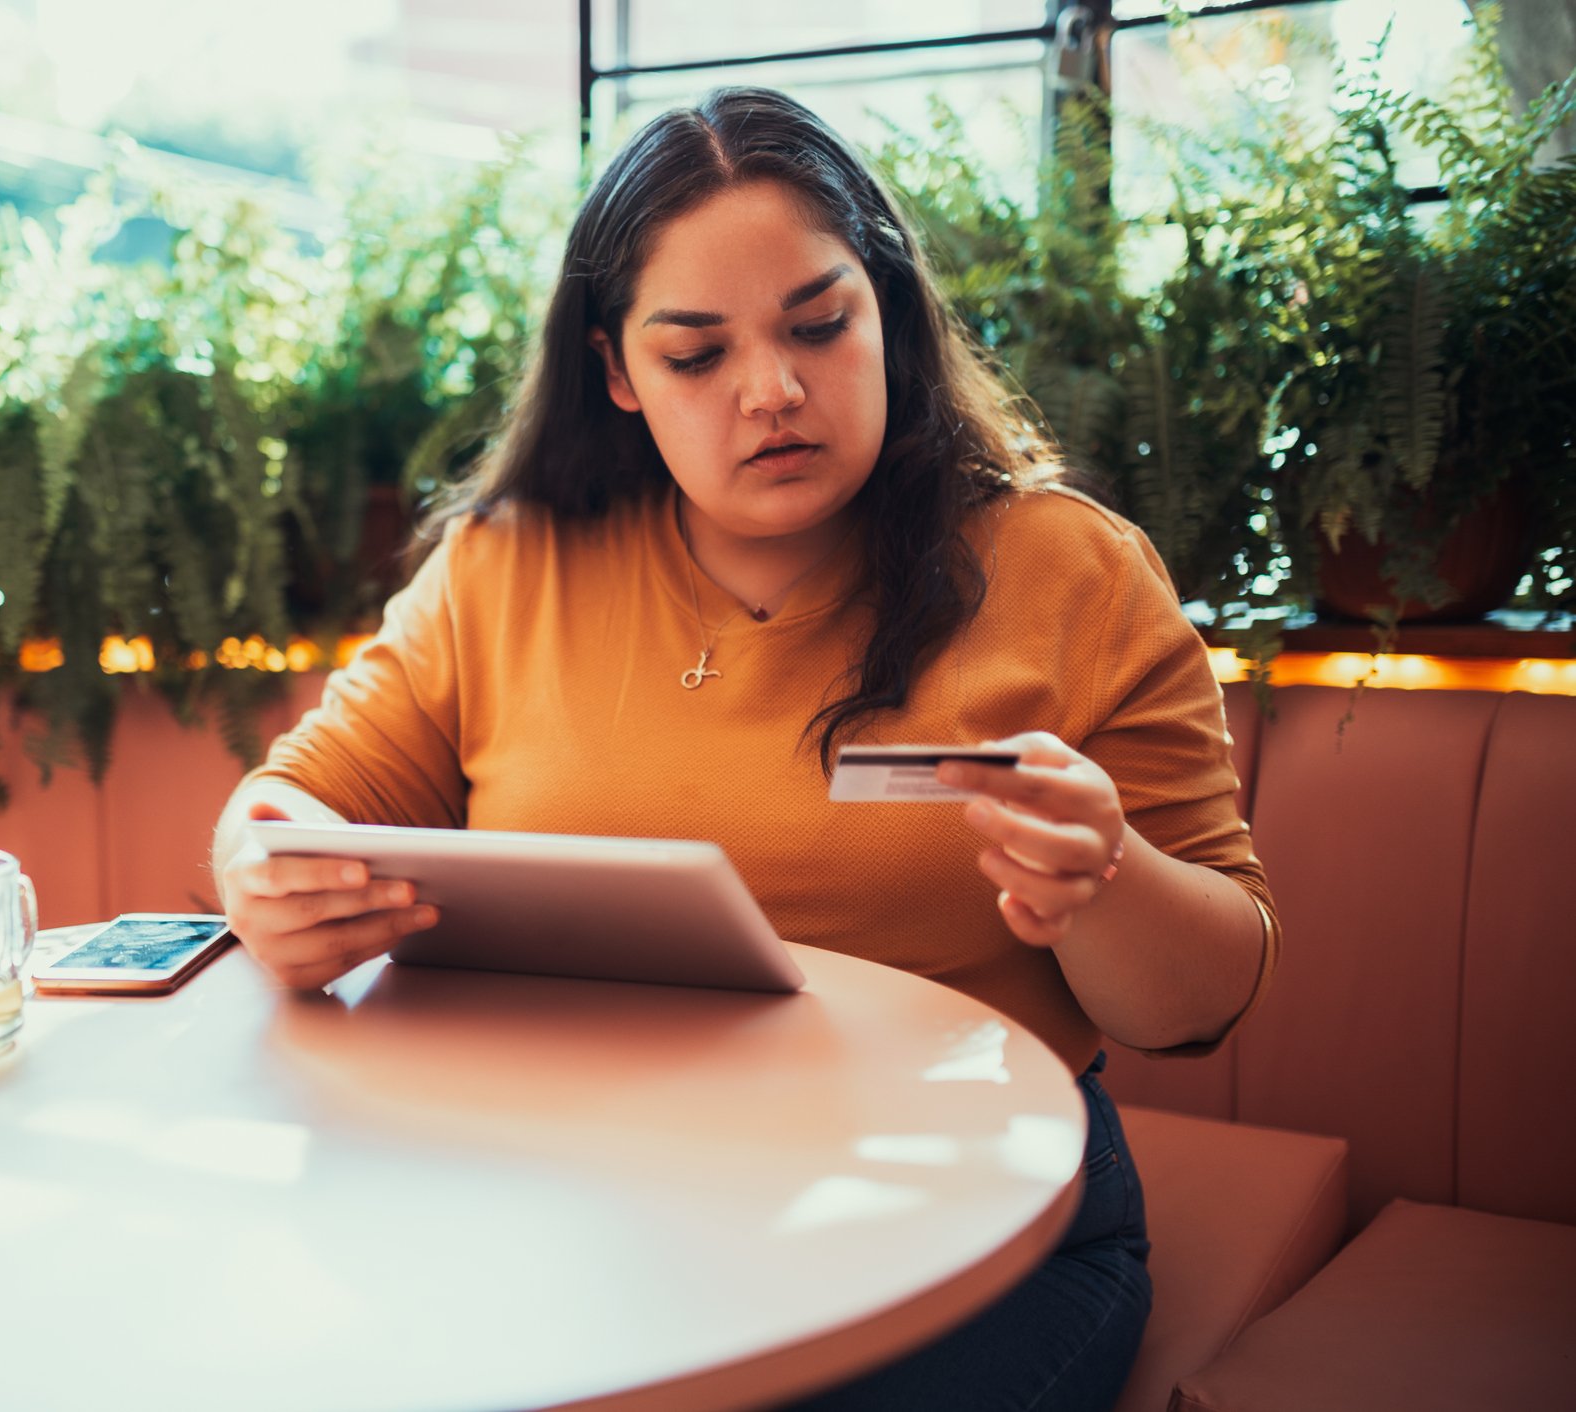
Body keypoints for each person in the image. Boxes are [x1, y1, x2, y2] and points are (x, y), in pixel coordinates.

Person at [210, 86, 1278, 1411]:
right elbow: (297, 800)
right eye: (694, 355)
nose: (771, 391)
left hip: (975, 1218)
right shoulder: (505, 570)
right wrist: (264, 876)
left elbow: (1201, 1003)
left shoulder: (1069, 570)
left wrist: (1098, 875)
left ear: (888, 309)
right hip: (592, 1201)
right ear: (616, 373)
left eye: (819, 325)